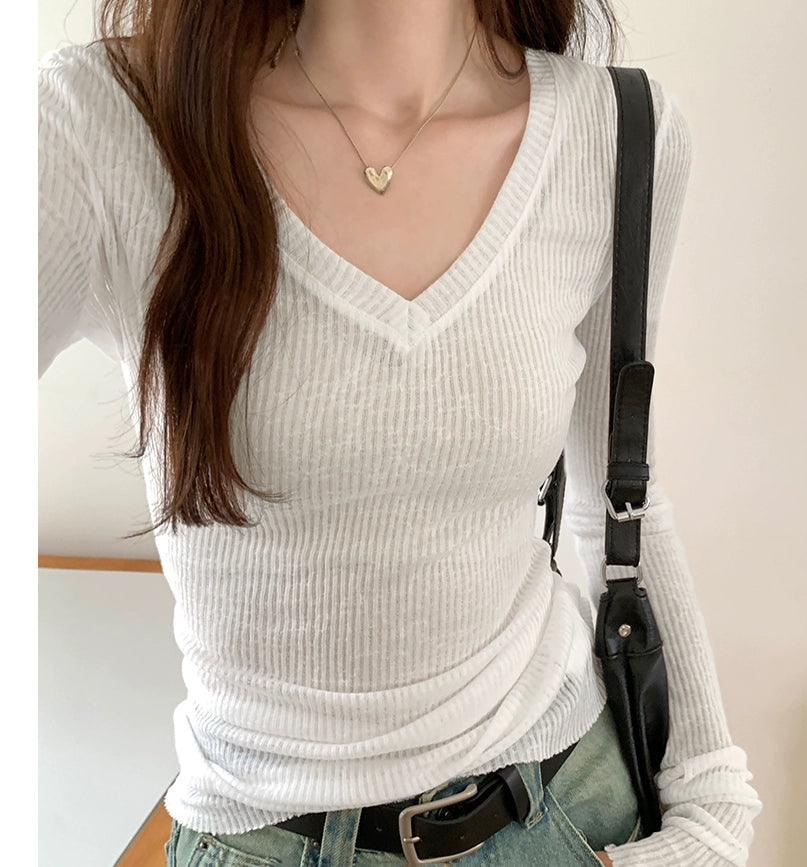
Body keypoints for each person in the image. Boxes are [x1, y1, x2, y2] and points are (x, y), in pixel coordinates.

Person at [38, 1, 763, 864]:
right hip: (266, 834)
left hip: (569, 804)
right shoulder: (101, 124)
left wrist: (711, 804)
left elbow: (620, 494)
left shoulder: (618, 133)